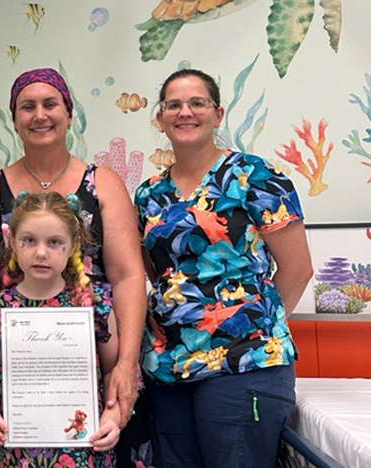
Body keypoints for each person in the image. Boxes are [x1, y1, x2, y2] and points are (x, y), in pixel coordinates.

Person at [0, 68, 153, 467]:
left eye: (50, 104)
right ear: (14, 119)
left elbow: (128, 275)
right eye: (27, 107)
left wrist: (126, 366)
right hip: (17, 362)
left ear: (69, 113)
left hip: (96, 355)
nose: (39, 115)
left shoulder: (103, 182)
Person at [135, 68, 314, 468]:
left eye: (197, 103)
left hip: (245, 363)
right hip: (169, 366)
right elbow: (157, 273)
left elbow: (297, 269)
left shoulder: (256, 176)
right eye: (174, 104)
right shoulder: (148, 194)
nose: (185, 112)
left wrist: (251, 322)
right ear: (161, 118)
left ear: (217, 114)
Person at [0, 191, 121, 466]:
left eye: (54, 242)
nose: (41, 252)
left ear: (74, 244)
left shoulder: (94, 306)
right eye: (29, 241)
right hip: (16, 452)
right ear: (12, 242)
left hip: (82, 452)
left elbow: (114, 371)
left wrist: (114, 416)